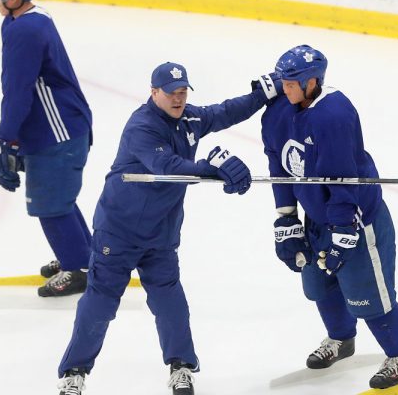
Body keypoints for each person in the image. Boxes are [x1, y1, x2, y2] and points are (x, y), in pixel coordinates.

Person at [55, 62, 280, 395]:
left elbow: (224, 112)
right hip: (118, 230)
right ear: (153, 92)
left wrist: (260, 96)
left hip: (161, 233)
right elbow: (166, 166)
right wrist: (211, 170)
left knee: (170, 301)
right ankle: (74, 372)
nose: (178, 99)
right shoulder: (141, 126)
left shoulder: (189, 117)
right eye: (172, 93)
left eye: (183, 92)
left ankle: (181, 367)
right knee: (101, 301)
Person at [261, 45, 398, 389]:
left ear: (312, 81)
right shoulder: (276, 113)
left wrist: (344, 230)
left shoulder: (333, 114)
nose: (283, 88)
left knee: (367, 294)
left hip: (357, 219)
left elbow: (341, 177)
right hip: (316, 217)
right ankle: (341, 339)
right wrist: (287, 218)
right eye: (283, 82)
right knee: (319, 282)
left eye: (291, 83)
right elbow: (279, 167)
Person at [0, 0, 93, 297]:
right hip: (60, 126)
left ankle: (78, 269)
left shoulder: (24, 30)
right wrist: (15, 134)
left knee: (49, 203)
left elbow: (18, 91)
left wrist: (5, 138)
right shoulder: (24, 21)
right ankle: (83, 257)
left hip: (58, 132)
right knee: (59, 198)